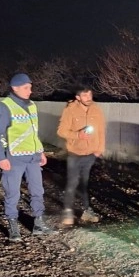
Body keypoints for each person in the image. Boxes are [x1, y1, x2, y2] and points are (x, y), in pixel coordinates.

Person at [0, 73, 56, 242]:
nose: (30, 91)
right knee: (12, 192)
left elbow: (34, 132)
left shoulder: (32, 105)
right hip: (14, 157)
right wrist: (1, 157)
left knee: (37, 191)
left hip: (33, 156)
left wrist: (40, 151)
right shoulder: (4, 106)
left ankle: (39, 223)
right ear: (15, 88)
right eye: (26, 88)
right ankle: (13, 226)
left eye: (30, 87)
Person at [57, 86, 106, 225]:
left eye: (90, 94)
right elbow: (61, 131)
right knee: (72, 182)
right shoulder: (70, 110)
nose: (89, 97)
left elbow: (101, 131)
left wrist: (99, 149)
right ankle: (67, 212)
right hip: (75, 153)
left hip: (90, 153)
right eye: (85, 95)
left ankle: (86, 211)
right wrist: (78, 135)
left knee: (85, 183)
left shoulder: (96, 109)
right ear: (78, 97)